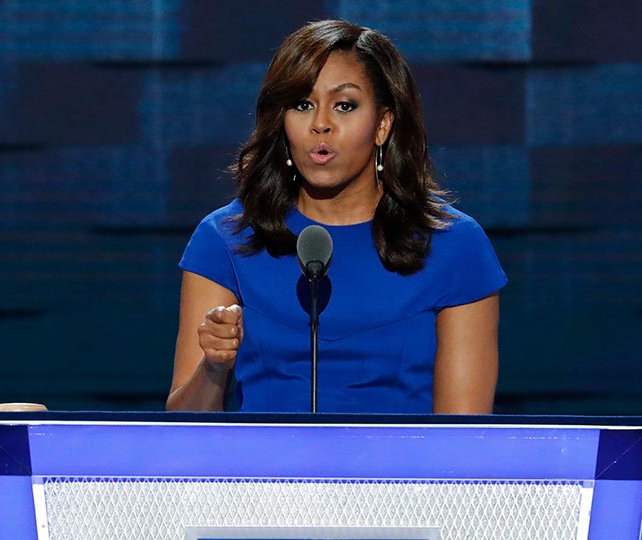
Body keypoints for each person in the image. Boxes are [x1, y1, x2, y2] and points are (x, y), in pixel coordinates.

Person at [166, 20, 507, 414]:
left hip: (402, 476)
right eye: (302, 104)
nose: (320, 124)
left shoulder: (454, 245)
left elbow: (463, 446)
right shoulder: (227, 238)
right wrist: (214, 367)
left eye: (344, 105)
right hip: (265, 475)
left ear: (383, 124)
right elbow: (185, 429)